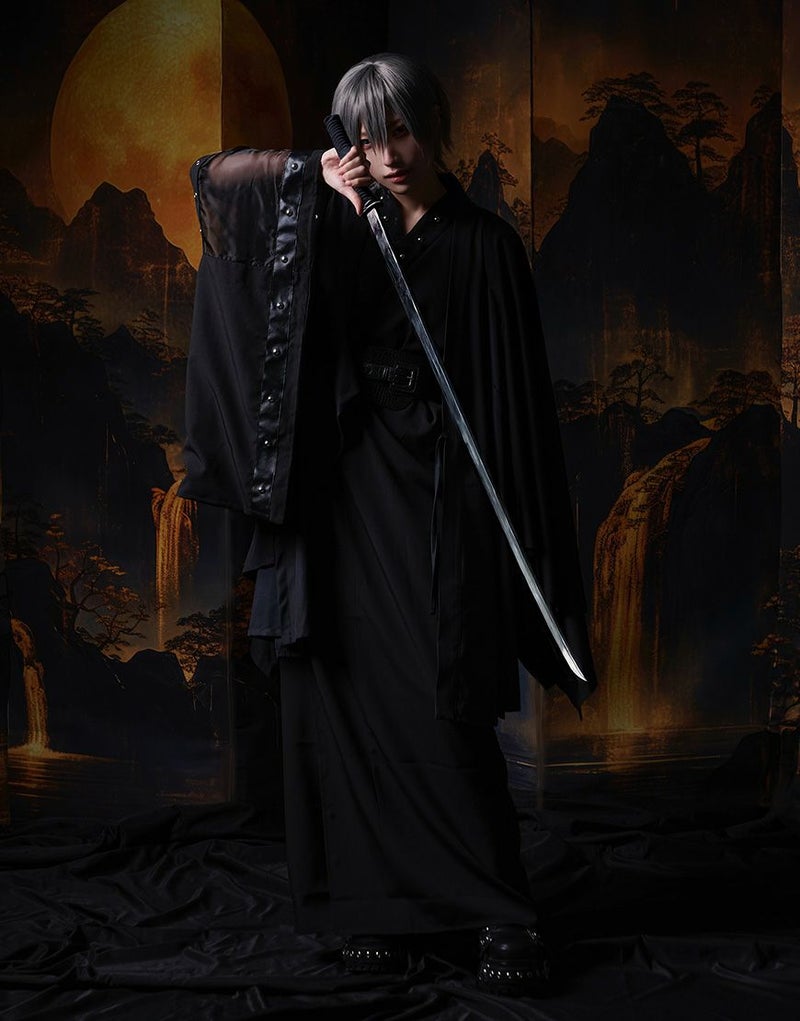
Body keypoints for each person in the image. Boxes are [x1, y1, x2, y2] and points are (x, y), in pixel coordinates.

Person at [180, 52, 596, 997]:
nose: (388, 155)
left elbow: (515, 408)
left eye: (401, 131)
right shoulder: (328, 218)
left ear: (434, 125)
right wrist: (310, 174)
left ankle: (495, 901)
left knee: (444, 695)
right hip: (339, 493)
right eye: (366, 139)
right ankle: (370, 905)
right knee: (343, 691)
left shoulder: (485, 246)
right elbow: (213, 183)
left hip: (443, 494)